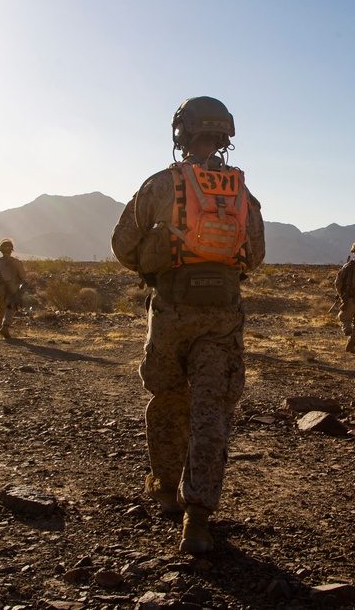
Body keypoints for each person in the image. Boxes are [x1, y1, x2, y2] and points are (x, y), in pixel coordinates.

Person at [111, 96, 265, 554]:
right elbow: (254, 256)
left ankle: (163, 490)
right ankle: (196, 520)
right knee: (211, 410)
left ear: (182, 133)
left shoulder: (161, 184)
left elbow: (123, 244)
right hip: (222, 314)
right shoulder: (242, 193)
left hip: (172, 311)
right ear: (224, 137)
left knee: (169, 398)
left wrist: (156, 262)